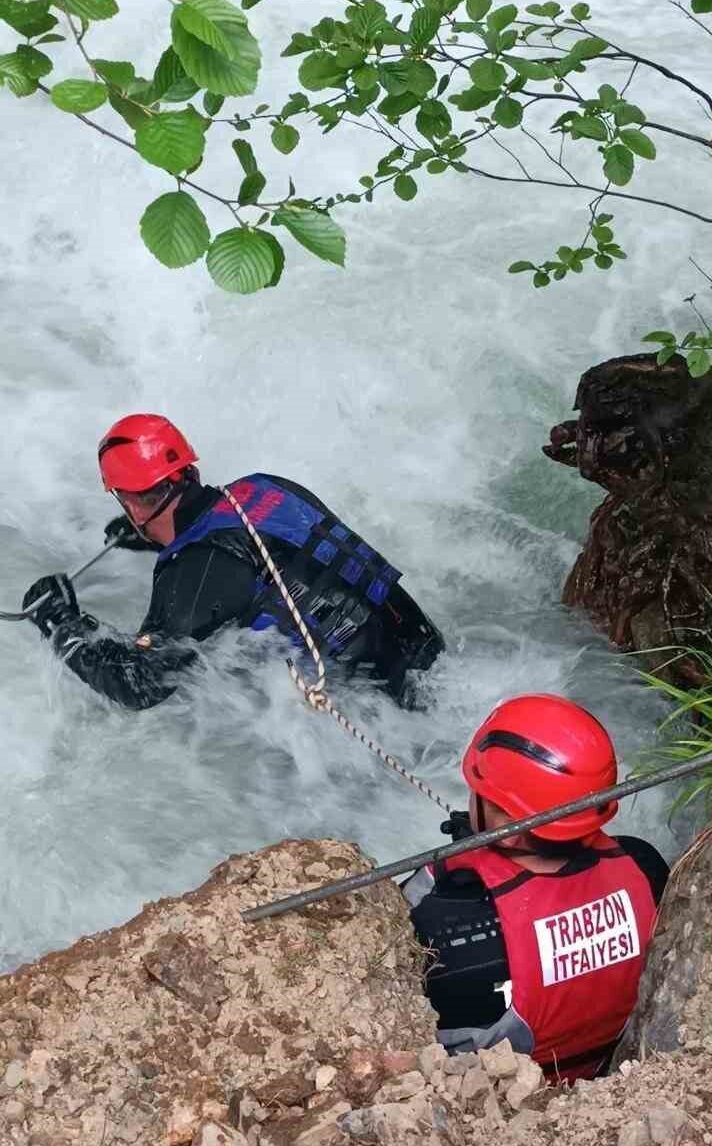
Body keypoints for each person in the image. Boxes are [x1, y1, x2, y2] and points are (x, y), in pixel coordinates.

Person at [22, 414, 444, 711]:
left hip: (386, 712)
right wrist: (154, 538)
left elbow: (141, 686)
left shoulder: (191, 573)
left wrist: (63, 627)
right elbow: (262, 555)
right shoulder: (262, 488)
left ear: (131, 500)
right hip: (428, 658)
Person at [403, 693, 668, 1082]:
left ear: (508, 827)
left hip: (514, 1098)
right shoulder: (644, 865)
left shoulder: (441, 918)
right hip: (610, 1064)